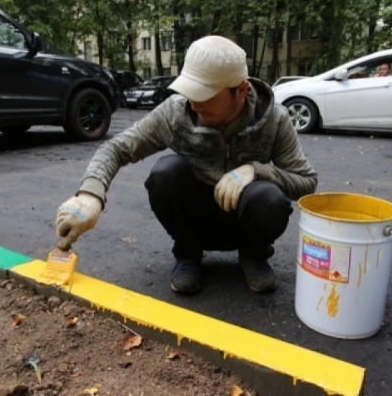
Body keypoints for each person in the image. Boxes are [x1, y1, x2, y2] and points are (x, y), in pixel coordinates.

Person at [55, 35, 318, 294]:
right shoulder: (175, 112)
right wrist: (91, 194)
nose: (194, 102)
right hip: (194, 222)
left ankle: (253, 257)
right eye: (190, 91)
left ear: (241, 90)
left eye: (205, 95)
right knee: (166, 172)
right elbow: (117, 148)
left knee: (268, 195)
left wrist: (256, 170)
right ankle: (187, 256)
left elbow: (306, 182)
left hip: (246, 223)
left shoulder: (274, 119)